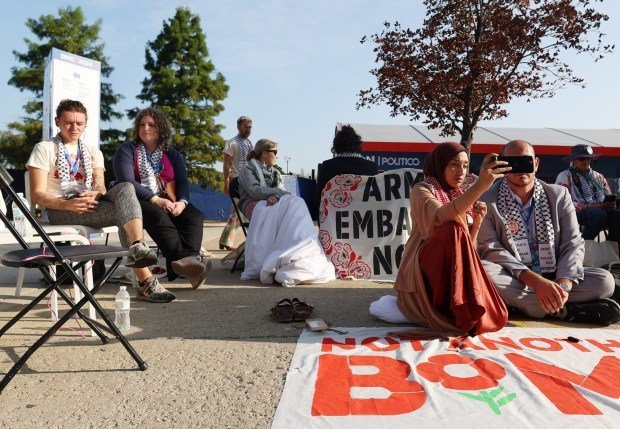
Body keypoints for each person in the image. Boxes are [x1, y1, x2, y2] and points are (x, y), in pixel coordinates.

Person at [27, 99, 175, 303]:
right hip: (60, 209)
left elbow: (101, 186)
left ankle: (137, 246)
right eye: (68, 122)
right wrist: (66, 204)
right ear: (57, 122)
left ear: (86, 124)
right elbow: (37, 195)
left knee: (126, 188)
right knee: (125, 211)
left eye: (79, 123)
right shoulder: (44, 148)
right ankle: (146, 281)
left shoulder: (92, 151)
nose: (74, 127)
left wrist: (95, 193)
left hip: (90, 205)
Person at [370, 142, 509, 336]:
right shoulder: (422, 190)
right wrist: (480, 186)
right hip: (422, 275)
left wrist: (476, 223)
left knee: (455, 231)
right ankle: (436, 309)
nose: (461, 171)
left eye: (465, 165)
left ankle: (453, 308)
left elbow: (467, 249)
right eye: (454, 164)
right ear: (439, 164)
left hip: (449, 275)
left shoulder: (460, 195)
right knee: (451, 227)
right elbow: (440, 216)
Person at [478, 140, 620, 325]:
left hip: (555, 274)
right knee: (485, 272)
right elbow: (491, 249)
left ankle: (532, 305)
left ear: (536, 164)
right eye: (514, 162)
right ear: (503, 165)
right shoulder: (487, 198)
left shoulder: (558, 195)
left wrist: (563, 287)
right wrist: (536, 282)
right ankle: (564, 310)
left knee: (605, 281)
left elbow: (573, 242)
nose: (521, 168)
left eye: (526, 161)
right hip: (515, 277)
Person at [113, 107, 211, 289]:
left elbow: (182, 181)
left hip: (168, 198)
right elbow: (126, 182)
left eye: (152, 125)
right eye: (142, 125)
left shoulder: (172, 154)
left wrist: (181, 203)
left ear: (162, 129)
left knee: (193, 215)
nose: (146, 128)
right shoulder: (127, 150)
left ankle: (190, 262)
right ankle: (190, 265)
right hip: (136, 200)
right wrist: (155, 199)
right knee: (158, 215)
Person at [238, 139, 335, 286]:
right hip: (252, 204)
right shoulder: (248, 169)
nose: (277, 156)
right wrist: (278, 193)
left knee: (296, 202)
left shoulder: (276, 172)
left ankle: (300, 247)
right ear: (264, 153)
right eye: (275, 152)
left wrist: (276, 196)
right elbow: (255, 191)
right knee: (294, 201)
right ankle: (298, 247)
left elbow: (281, 193)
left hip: (272, 202)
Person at [555, 144, 620, 241]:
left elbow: (608, 195)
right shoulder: (565, 176)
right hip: (576, 212)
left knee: (618, 214)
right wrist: (589, 207)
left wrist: (610, 204)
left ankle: (611, 245)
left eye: (589, 159)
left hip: (599, 211)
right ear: (573, 160)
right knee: (598, 214)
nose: (586, 161)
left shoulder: (598, 176)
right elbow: (563, 203)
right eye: (582, 159)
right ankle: (583, 242)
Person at [313, 125, 378, 221]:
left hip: (334, 222)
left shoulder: (327, 166)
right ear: (357, 144)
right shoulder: (371, 167)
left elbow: (319, 199)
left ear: (336, 145)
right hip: (363, 222)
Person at [220, 116, 253, 250]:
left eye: (250, 127)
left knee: (240, 211)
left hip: (248, 181)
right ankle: (227, 242)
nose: (248, 129)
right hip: (236, 181)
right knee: (239, 210)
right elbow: (226, 165)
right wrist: (226, 183)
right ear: (239, 127)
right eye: (246, 126)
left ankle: (225, 240)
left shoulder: (250, 143)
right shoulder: (231, 143)